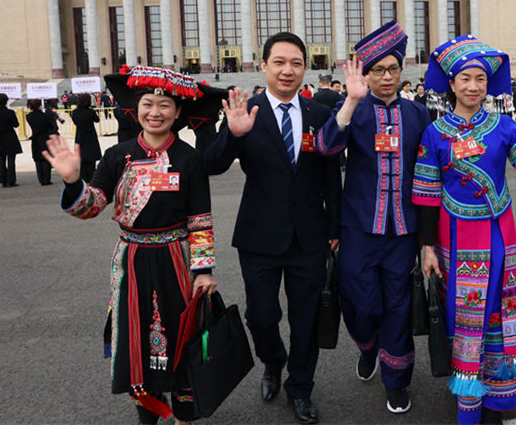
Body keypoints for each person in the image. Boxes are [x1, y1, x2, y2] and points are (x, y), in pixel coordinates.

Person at [44, 65, 225, 424]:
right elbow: (91, 206)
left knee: (181, 335)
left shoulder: (189, 159)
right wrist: (73, 181)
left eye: (164, 105)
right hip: (131, 260)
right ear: (136, 107)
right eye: (147, 103)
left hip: (176, 258)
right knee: (138, 337)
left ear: (178, 112)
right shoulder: (117, 155)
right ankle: (148, 413)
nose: (155, 112)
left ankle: (185, 412)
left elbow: (200, 219)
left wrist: (203, 270)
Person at [411, 35, 516, 425]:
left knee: (497, 312)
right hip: (455, 240)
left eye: (480, 79)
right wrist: (428, 248)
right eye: (465, 78)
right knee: (466, 319)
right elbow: (427, 196)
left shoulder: (503, 126)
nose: (473, 86)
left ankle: (497, 397)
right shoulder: (434, 134)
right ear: (450, 84)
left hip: (499, 239)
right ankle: (469, 397)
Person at [204, 32, 341, 425]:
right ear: (263, 65)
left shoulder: (319, 114)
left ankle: (300, 388)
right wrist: (232, 132)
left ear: (304, 68)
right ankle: (273, 360)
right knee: (261, 316)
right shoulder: (246, 110)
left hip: (310, 237)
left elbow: (332, 175)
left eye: (296, 63)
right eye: (279, 62)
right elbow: (211, 165)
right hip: (260, 237)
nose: (287, 70)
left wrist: (336, 226)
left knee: (307, 318)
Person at [315, 21, 431, 414]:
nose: (385, 77)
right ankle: (368, 346)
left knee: (398, 304)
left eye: (392, 69)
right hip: (359, 229)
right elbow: (327, 148)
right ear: (365, 74)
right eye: (377, 70)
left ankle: (397, 379)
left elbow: (432, 170)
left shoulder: (418, 115)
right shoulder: (353, 111)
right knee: (360, 304)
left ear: (402, 72)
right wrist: (349, 101)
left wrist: (428, 235)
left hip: (402, 231)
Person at [0, 93, 22, 188]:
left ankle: (3, 180)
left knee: (1, 159)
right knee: (11, 159)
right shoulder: (10, 112)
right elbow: (16, 124)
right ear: (6, 101)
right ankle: (11, 180)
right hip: (10, 136)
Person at [26, 99, 60, 185]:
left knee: (38, 159)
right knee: (46, 159)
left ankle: (41, 179)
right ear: (40, 106)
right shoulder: (45, 116)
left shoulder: (28, 116)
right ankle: (46, 179)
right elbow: (52, 126)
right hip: (45, 138)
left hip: (35, 139)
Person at [72, 93, 102, 183]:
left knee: (81, 158)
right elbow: (97, 120)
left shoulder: (75, 112)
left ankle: (83, 177)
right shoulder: (90, 111)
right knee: (91, 159)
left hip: (80, 135)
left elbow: (75, 122)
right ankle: (91, 177)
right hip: (90, 136)